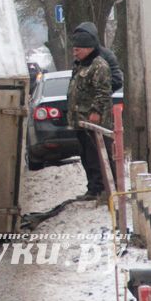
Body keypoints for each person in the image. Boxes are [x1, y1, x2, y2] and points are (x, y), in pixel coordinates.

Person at [67, 24, 114, 200]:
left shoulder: (99, 66)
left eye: (77, 49)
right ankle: (92, 188)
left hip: (94, 121)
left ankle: (101, 188)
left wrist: (96, 112)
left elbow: (103, 92)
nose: (74, 52)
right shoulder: (80, 65)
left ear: (88, 48)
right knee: (86, 156)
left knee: (97, 156)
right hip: (81, 121)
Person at [74, 22, 123, 93]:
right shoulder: (79, 59)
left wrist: (94, 89)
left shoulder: (106, 56)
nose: (75, 54)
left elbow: (117, 81)